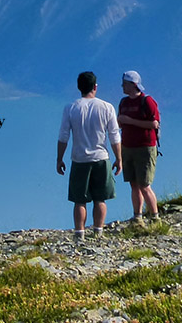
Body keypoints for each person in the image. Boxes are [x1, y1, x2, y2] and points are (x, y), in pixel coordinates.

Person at [56, 71, 122, 239]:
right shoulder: (107, 107)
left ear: (79, 87)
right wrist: (119, 158)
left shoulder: (71, 108)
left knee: (80, 200)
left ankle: (80, 233)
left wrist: (59, 158)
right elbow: (114, 135)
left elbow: (64, 135)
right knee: (100, 199)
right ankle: (98, 231)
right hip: (101, 157)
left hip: (79, 159)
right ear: (95, 87)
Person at [118, 70, 160, 221]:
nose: (122, 86)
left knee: (144, 184)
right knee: (133, 184)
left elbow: (154, 124)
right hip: (128, 146)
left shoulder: (147, 101)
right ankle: (137, 216)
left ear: (133, 85)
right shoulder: (123, 102)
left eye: (125, 84)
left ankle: (154, 216)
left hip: (145, 147)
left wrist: (129, 121)